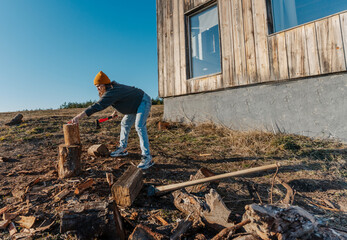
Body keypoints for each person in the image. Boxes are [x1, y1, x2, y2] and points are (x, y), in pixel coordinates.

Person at [70, 71, 154, 169]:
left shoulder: (112, 91)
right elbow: (119, 99)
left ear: (105, 84)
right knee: (124, 123)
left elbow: (97, 106)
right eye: (96, 86)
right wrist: (115, 112)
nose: (97, 88)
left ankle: (147, 158)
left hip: (142, 101)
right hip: (134, 104)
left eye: (99, 85)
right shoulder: (111, 89)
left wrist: (78, 117)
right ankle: (122, 149)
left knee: (139, 126)